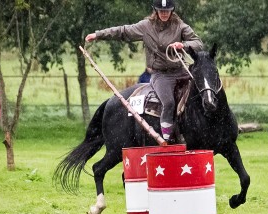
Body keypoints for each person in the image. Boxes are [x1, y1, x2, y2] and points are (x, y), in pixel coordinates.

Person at [85, 0, 203, 143]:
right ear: (156, 11)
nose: (164, 13)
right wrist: (98, 35)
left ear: (172, 11)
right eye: (161, 11)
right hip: (162, 75)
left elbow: (198, 43)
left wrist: (182, 44)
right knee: (169, 102)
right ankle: (167, 137)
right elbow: (123, 31)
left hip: (181, 71)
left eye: (167, 11)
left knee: (202, 94)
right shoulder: (145, 26)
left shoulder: (180, 26)